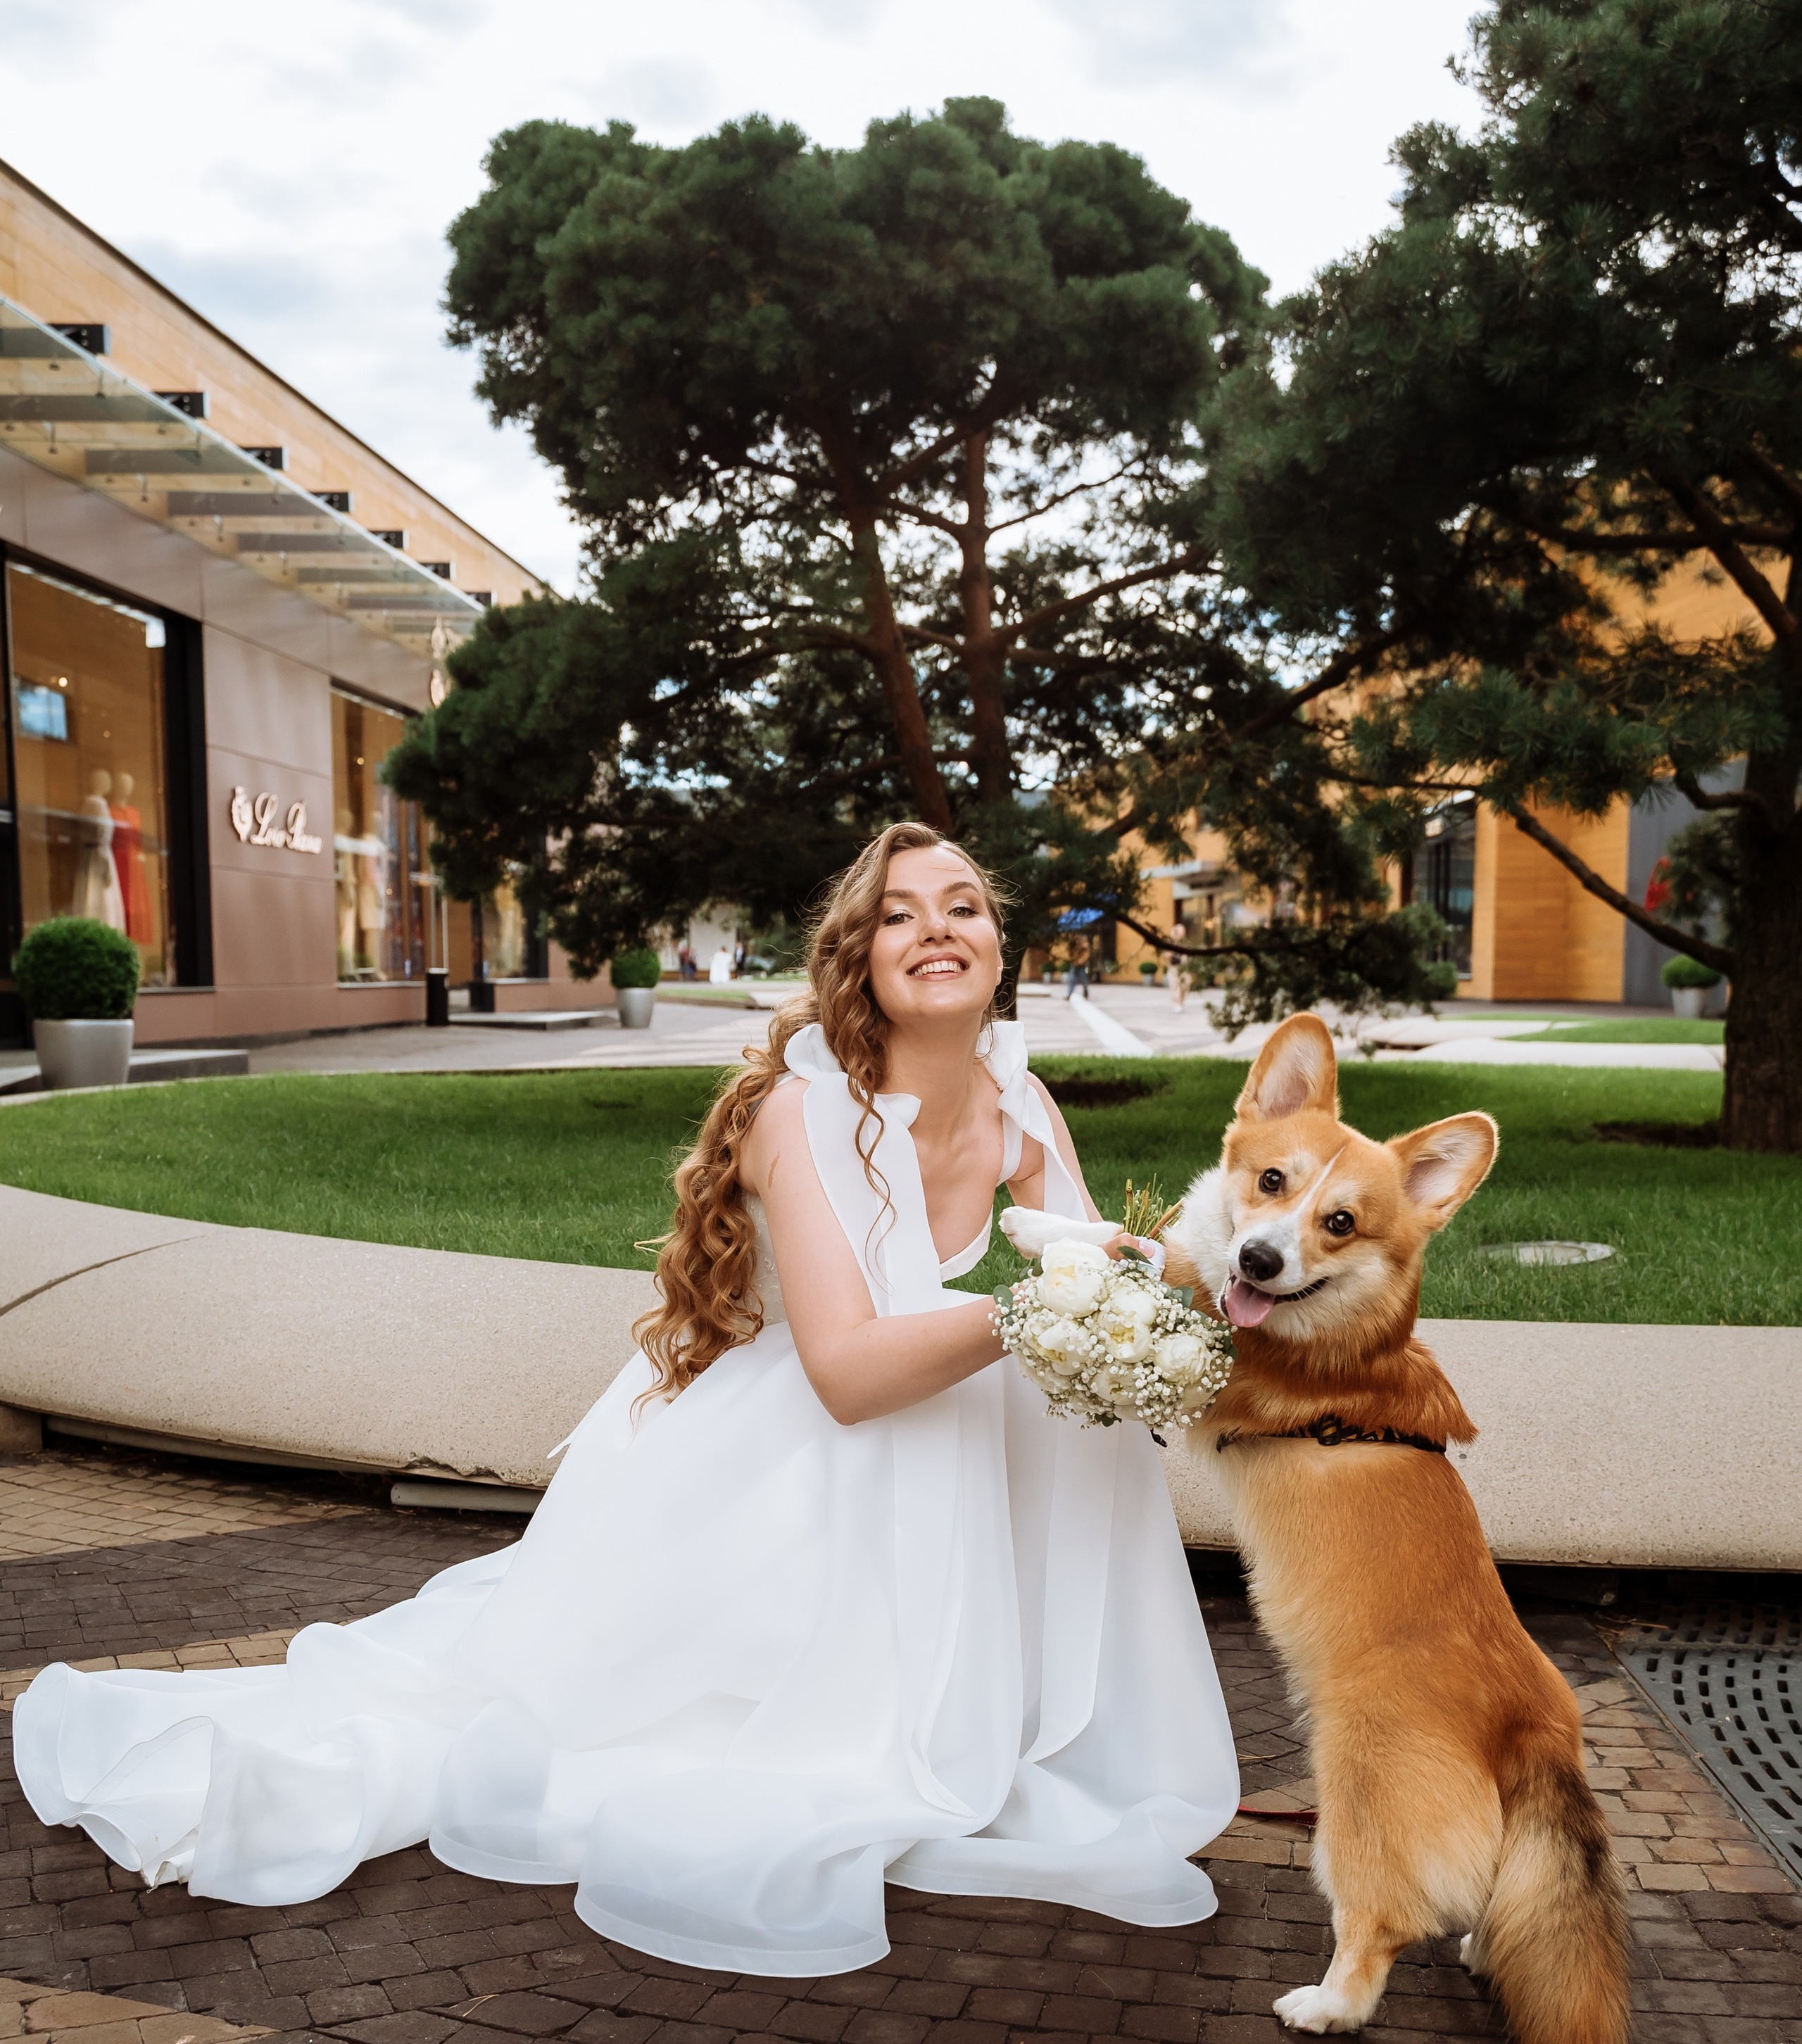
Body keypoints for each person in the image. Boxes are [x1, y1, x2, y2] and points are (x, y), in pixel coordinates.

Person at [13, 824, 1237, 1977]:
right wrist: (1037, 1316)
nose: (936, 929)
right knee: (587, 1731)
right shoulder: (805, 1111)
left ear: (999, 945)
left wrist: (1147, 1306)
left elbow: (1100, 1270)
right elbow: (852, 1375)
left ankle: (1029, 1706)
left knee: (1080, 1420)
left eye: (962, 906)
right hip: (791, 1462)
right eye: (898, 914)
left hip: (942, 1445)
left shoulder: (1022, 1104)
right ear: (857, 958)